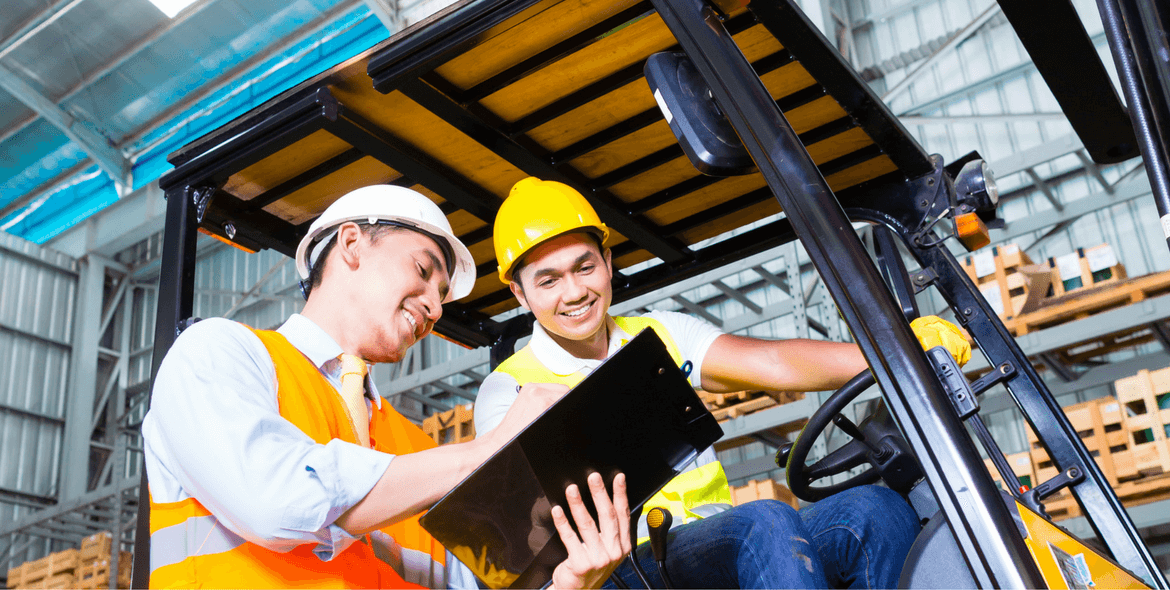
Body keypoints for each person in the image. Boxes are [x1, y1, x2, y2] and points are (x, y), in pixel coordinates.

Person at [475, 177, 974, 589]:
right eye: (549, 280)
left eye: (585, 267)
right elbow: (523, 542)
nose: (575, 291)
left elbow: (777, 363)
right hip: (624, 568)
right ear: (519, 292)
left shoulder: (663, 334)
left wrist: (899, 351)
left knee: (874, 511)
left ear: (608, 262)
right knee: (765, 521)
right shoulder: (510, 390)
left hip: (716, 539)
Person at [142, 185, 632, 589]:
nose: (435, 308)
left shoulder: (414, 450)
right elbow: (277, 503)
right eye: (422, 271)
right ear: (351, 244)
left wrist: (569, 584)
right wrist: (489, 450)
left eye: (442, 295)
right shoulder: (220, 355)